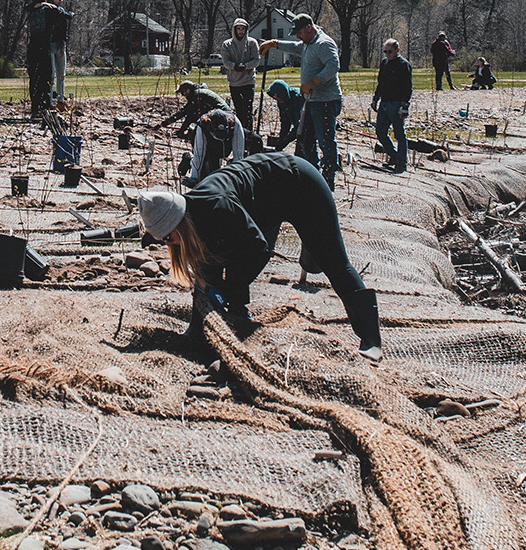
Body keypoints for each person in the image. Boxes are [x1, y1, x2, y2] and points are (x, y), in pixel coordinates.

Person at [136, 153, 382, 361]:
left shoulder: (218, 207)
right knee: (210, 262)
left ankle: (371, 339)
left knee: (333, 263)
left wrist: (231, 289)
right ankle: (220, 322)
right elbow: (207, 268)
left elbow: (257, 249)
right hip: (266, 204)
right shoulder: (194, 218)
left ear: (179, 224)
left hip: (301, 185)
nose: (168, 245)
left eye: (168, 239)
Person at [259, 15, 342, 181]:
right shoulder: (307, 43)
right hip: (312, 100)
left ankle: (328, 177)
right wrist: (275, 43)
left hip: (326, 100)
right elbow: (295, 47)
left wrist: (314, 82)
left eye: (299, 32)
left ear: (309, 28)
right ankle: (313, 172)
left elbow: (334, 65)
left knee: (325, 140)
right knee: (305, 138)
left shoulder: (323, 43)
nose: (298, 36)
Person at [370, 38, 413, 171]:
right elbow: (380, 82)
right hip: (384, 102)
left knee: (400, 134)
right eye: (385, 52)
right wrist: (375, 98)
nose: (387, 54)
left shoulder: (404, 64)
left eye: (390, 51)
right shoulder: (384, 63)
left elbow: (408, 87)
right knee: (380, 132)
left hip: (397, 103)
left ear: (397, 50)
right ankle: (393, 155)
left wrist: (405, 105)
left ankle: (401, 162)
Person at [219, 18, 261, 121]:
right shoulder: (227, 44)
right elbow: (225, 62)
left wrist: (246, 66)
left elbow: (256, 60)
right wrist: (234, 66)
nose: (241, 31)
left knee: (248, 112)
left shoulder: (252, 43)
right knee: (239, 111)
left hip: (248, 82)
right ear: (234, 29)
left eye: (243, 29)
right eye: (238, 28)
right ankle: (240, 134)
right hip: (234, 83)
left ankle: (249, 134)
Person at [189, 107, 244, 182]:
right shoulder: (202, 125)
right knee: (208, 178)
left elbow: (238, 155)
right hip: (209, 147)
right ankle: (188, 158)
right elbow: (199, 156)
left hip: (226, 145)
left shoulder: (235, 123)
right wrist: (194, 178)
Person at [24, 0, 53, 120]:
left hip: (32, 48)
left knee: (34, 80)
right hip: (43, 48)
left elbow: (27, 7)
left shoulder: (31, 11)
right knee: (45, 79)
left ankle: (35, 109)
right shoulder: (47, 10)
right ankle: (45, 109)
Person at [43, 0, 75, 105]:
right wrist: (70, 14)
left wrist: (64, 43)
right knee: (51, 75)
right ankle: (50, 101)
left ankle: (61, 99)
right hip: (50, 45)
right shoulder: (48, 9)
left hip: (60, 45)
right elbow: (66, 15)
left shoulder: (60, 10)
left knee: (61, 74)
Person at [264, 78, 305, 152]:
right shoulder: (281, 101)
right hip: (299, 126)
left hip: (308, 125)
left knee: (303, 148)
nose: (277, 100)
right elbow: (285, 122)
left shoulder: (298, 98)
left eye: (277, 98)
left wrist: (285, 141)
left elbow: (299, 125)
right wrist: (281, 139)